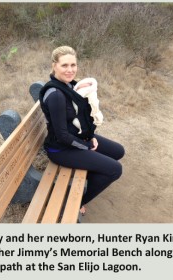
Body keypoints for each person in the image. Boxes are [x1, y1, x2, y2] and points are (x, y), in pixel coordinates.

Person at [39, 46, 125, 216]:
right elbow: (62, 136)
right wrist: (86, 145)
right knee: (115, 169)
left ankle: (88, 176)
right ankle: (78, 200)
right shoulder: (56, 94)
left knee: (118, 151)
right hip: (61, 149)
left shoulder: (70, 85)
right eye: (64, 65)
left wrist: (90, 136)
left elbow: (82, 117)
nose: (70, 70)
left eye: (73, 65)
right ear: (54, 65)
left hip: (74, 138)